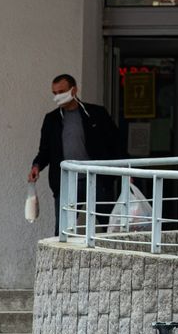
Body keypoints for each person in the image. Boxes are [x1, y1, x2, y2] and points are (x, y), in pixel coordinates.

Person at [28, 74, 126, 235]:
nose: (57, 96)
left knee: (111, 227)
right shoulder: (52, 119)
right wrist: (36, 166)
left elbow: (115, 143)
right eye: (54, 93)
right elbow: (45, 151)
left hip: (97, 179)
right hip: (67, 182)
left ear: (74, 90)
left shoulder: (96, 114)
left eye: (61, 92)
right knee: (63, 231)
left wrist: (125, 170)